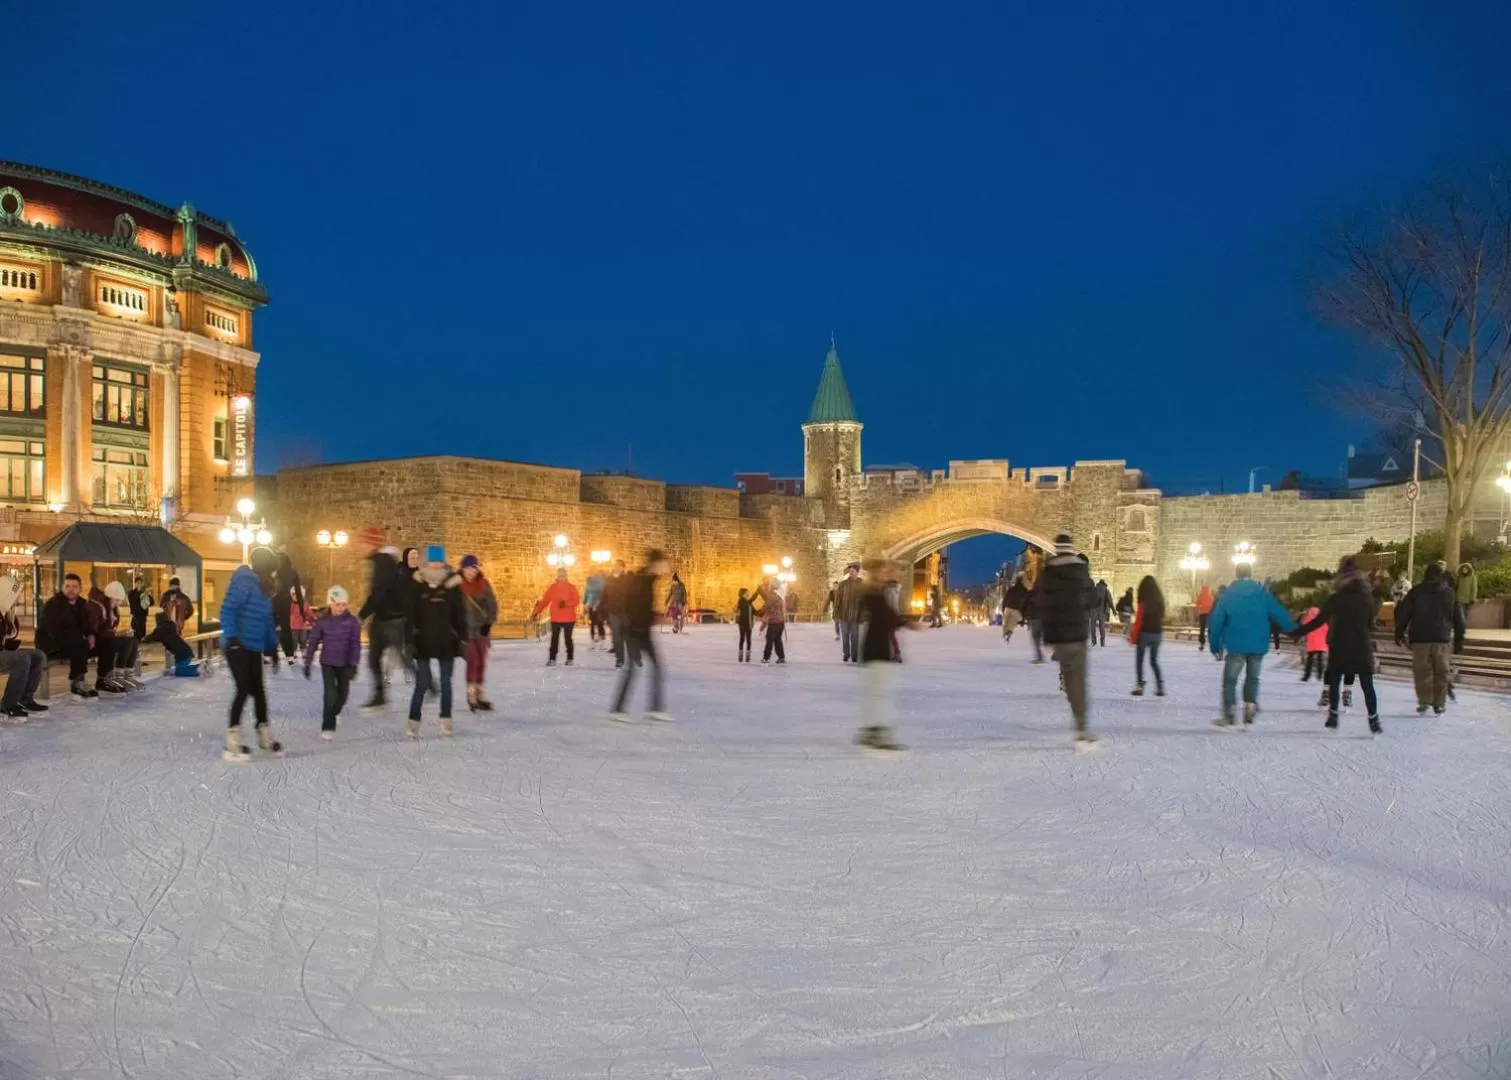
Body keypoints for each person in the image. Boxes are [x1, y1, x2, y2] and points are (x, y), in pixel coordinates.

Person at [1295, 558, 1383, 733]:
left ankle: (1333, 716)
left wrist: (1298, 631)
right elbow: (1370, 624)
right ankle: (1374, 720)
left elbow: (1319, 621)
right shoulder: (1367, 598)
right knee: (1367, 684)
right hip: (1361, 645)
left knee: (1335, 679)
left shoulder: (1336, 598)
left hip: (1340, 643)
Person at [1208, 562, 1297, 727]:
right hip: (1258, 645)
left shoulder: (1227, 596)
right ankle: (1250, 704)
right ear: (1250, 573)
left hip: (1236, 644)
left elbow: (1216, 623)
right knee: (1253, 677)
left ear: (1236, 574)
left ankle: (1229, 713)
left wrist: (1215, 645)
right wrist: (1296, 630)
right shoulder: (1262, 595)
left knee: (1230, 680)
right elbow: (1280, 614)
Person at [220, 547, 283, 761]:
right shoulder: (244, 582)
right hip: (237, 645)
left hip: (254, 647)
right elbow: (227, 609)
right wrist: (232, 636)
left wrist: (272, 647)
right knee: (244, 688)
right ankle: (232, 743)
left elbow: (266, 622)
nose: (274, 574)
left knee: (259, 691)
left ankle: (264, 737)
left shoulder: (264, 589)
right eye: (272, 570)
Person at [1038, 534, 1099, 748]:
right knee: (1079, 680)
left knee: (1069, 675)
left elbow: (1043, 605)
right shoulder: (1081, 569)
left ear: (1056, 548)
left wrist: (1047, 636)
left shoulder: (1048, 571)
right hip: (1078, 633)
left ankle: (1067, 684)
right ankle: (1081, 726)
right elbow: (1093, 599)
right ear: (1071, 547)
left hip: (1059, 636)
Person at [408, 545, 467, 738]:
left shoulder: (452, 584)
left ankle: (446, 719)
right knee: (422, 682)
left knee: (445, 682)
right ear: (427, 562)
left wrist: (463, 638)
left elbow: (460, 614)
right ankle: (413, 720)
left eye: (439, 560)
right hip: (422, 639)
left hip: (446, 640)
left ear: (443, 561)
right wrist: (408, 637)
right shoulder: (418, 583)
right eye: (433, 560)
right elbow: (410, 612)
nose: (436, 564)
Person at [610, 549, 671, 722]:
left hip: (641, 632)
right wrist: (652, 618)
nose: (666, 567)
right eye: (664, 563)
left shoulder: (647, 579)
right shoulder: (641, 581)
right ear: (656, 563)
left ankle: (649, 708)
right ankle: (621, 709)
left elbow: (642, 608)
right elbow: (634, 607)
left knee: (643, 669)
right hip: (636, 632)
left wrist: (655, 615)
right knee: (635, 669)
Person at [1394, 562, 1462, 716]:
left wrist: (1399, 632)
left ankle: (1424, 700)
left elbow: (1404, 613)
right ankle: (1439, 703)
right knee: (1441, 672)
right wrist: (1459, 638)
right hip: (1442, 638)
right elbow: (1458, 618)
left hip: (1420, 638)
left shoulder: (1416, 592)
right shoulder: (1449, 593)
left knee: (1422, 671)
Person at [855, 558, 906, 751]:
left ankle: (871, 731)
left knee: (877, 692)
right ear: (878, 573)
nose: (890, 573)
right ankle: (876, 733)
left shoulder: (876, 592)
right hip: (876, 650)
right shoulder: (873, 593)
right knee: (880, 693)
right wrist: (906, 622)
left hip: (876, 648)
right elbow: (886, 617)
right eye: (886, 570)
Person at [356, 527, 407, 708]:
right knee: (374, 659)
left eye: (363, 542)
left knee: (402, 658)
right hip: (383, 617)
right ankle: (379, 695)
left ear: (371, 543)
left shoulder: (382, 562)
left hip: (390, 619)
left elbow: (379, 591)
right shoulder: (381, 561)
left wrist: (362, 615)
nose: (359, 546)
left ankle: (429, 685)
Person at [304, 585, 361, 738]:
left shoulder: (352, 622)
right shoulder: (323, 621)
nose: (341, 608)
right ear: (330, 603)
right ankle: (328, 726)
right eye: (337, 604)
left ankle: (334, 713)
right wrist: (308, 662)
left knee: (343, 694)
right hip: (328, 662)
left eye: (344, 604)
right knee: (330, 695)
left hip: (345, 663)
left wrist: (354, 664)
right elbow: (313, 641)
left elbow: (355, 644)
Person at [37, 573, 96, 698]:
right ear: (62, 587)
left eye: (74, 586)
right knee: (80, 644)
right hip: (51, 645)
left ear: (80, 588)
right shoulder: (53, 605)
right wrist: (79, 638)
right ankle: (77, 682)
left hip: (72, 644)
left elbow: (85, 625)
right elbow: (53, 631)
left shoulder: (81, 603)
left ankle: (104, 679)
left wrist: (90, 634)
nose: (71, 589)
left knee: (104, 643)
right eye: (67, 586)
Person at [0, 576, 47, 717]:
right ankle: (9, 704)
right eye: (16, 594)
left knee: (38, 655)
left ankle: (24, 699)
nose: (18, 598)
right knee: (22, 658)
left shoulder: (7, 613)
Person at [458, 555, 497, 710]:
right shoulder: (457, 586)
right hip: (466, 631)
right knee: (472, 661)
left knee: (481, 662)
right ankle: (471, 694)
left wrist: (488, 623)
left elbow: (492, 605)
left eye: (473, 568)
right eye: (467, 568)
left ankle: (480, 694)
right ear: (462, 569)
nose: (470, 572)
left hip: (482, 630)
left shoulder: (484, 584)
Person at [86, 582, 136, 693]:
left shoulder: (111, 608)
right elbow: (93, 630)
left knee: (133, 640)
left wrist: (120, 633)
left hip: (103, 640)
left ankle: (126, 676)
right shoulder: (96, 606)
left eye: (119, 600)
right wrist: (118, 634)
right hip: (90, 642)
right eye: (116, 600)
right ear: (110, 597)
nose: (118, 603)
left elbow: (107, 631)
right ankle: (109, 678)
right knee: (120, 643)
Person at [531, 568, 580, 666]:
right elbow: (545, 601)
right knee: (554, 638)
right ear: (557, 576)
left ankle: (570, 658)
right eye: (560, 575)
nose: (561, 577)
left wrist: (566, 603)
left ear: (566, 576)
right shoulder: (552, 588)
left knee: (568, 638)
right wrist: (536, 612)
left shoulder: (571, 587)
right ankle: (552, 658)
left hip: (568, 618)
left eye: (563, 575)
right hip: (556, 617)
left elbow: (576, 601)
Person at [1128, 575, 1165, 697]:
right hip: (1157, 633)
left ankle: (1139, 686)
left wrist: (1133, 636)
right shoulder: (1160, 602)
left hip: (1145, 633)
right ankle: (1160, 686)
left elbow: (1139, 621)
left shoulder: (1143, 602)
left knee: (1140, 660)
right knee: (1154, 661)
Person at [144, 604, 199, 677]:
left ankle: (198, 670)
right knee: (179, 669)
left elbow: (150, 638)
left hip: (183, 655)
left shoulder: (160, 629)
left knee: (179, 672)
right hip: (186, 652)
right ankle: (195, 668)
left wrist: (142, 639)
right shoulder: (171, 626)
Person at [272, 552, 305, 667]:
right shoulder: (293, 572)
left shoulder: (274, 571)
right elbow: (298, 592)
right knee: (286, 630)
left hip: (273, 601)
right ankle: (290, 655)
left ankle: (270, 654)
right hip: (286, 603)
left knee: (270, 628)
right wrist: (301, 608)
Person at [602, 560, 630, 668]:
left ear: (623, 567)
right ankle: (620, 659)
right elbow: (604, 596)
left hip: (625, 612)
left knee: (626, 636)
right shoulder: (609, 580)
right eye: (615, 565)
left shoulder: (627, 580)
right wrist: (604, 609)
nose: (616, 567)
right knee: (617, 636)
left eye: (619, 566)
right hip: (613, 612)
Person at [834, 563, 863, 662]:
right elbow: (838, 600)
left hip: (856, 615)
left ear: (857, 572)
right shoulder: (843, 584)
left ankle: (855, 655)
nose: (851, 573)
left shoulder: (862, 584)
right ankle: (846, 654)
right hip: (844, 614)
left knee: (855, 636)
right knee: (845, 635)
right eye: (850, 571)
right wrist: (836, 613)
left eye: (853, 571)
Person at [754, 581, 787, 664]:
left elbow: (765, 610)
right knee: (777, 639)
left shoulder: (770, 598)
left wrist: (757, 614)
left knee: (769, 640)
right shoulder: (779, 597)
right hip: (780, 622)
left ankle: (766, 659)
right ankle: (781, 657)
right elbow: (780, 609)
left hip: (774, 623)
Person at [1299, 604, 1328, 682]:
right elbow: (1326, 629)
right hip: (1321, 643)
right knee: (1319, 659)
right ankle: (1320, 675)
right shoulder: (1321, 620)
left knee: (1310, 659)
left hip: (1312, 642)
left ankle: (1307, 676)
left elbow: (1304, 627)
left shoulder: (1308, 619)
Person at [1454, 562, 1477, 654]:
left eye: (1466, 569)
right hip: (1459, 599)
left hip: (1467, 600)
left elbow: (1474, 589)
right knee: (1461, 616)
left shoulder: (1472, 577)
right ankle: (1461, 629)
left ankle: (1462, 629)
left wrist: (1473, 599)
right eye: (1463, 568)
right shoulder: (1459, 577)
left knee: (1465, 615)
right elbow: (1456, 587)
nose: (1464, 570)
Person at [1001, 573, 1029, 644]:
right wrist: (1023, 618)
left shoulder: (1011, 589)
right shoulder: (1025, 591)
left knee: (1006, 624)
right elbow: (1025, 606)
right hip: (1017, 610)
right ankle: (1008, 635)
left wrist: (1003, 609)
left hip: (1008, 608)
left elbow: (1005, 599)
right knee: (1012, 624)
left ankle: (1005, 636)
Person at [583, 568, 607, 645]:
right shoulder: (590, 581)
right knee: (594, 621)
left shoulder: (600, 582)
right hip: (592, 603)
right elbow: (587, 592)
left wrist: (586, 602)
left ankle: (599, 635)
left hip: (598, 604)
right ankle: (596, 635)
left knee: (598, 621)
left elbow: (602, 593)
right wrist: (585, 602)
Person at [126, 575, 152, 642]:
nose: (139, 584)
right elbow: (133, 600)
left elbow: (151, 602)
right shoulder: (132, 593)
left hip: (143, 616)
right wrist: (142, 593)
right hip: (135, 616)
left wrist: (148, 595)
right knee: (135, 633)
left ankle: (141, 643)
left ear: (142, 584)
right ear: (135, 584)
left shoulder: (144, 593)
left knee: (142, 633)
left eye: (140, 583)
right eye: (137, 583)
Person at [1090, 578, 1115, 647]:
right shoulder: (1106, 591)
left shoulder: (1093, 590)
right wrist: (1113, 610)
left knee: (1092, 626)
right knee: (1102, 626)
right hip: (1102, 611)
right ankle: (1102, 642)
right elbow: (1110, 601)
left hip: (1093, 610)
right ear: (1104, 584)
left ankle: (1093, 640)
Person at [734, 587, 756, 662]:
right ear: (743, 594)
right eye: (747, 593)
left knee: (749, 639)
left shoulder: (749, 602)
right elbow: (744, 607)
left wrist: (763, 611)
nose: (748, 594)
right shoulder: (741, 601)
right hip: (743, 623)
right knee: (742, 638)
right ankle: (740, 655)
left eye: (748, 593)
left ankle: (748, 655)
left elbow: (754, 611)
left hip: (749, 623)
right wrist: (757, 593)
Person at [1194, 583, 1215, 649]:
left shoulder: (1201, 596)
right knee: (1210, 629)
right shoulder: (1210, 596)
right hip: (1209, 615)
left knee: (1202, 629)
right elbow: (1213, 606)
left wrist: (1197, 613)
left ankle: (1202, 643)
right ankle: (1212, 642)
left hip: (1202, 614)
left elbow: (1197, 605)